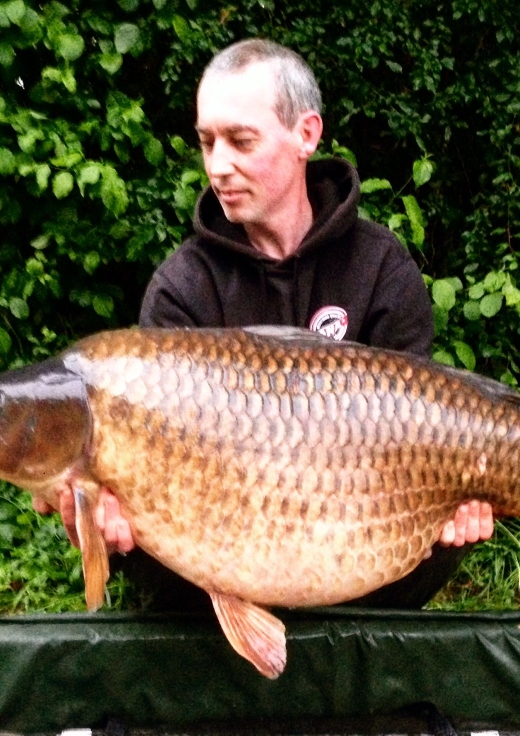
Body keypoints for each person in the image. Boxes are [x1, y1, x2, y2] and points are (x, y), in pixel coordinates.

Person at [38, 39, 493, 609]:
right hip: (209, 578)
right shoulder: (182, 289)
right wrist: (107, 524)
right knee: (140, 540)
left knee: (450, 521)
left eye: (240, 141)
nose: (217, 165)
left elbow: (421, 423)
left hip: (363, 555)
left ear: (306, 135)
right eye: (207, 142)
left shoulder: (381, 267)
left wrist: (448, 518)